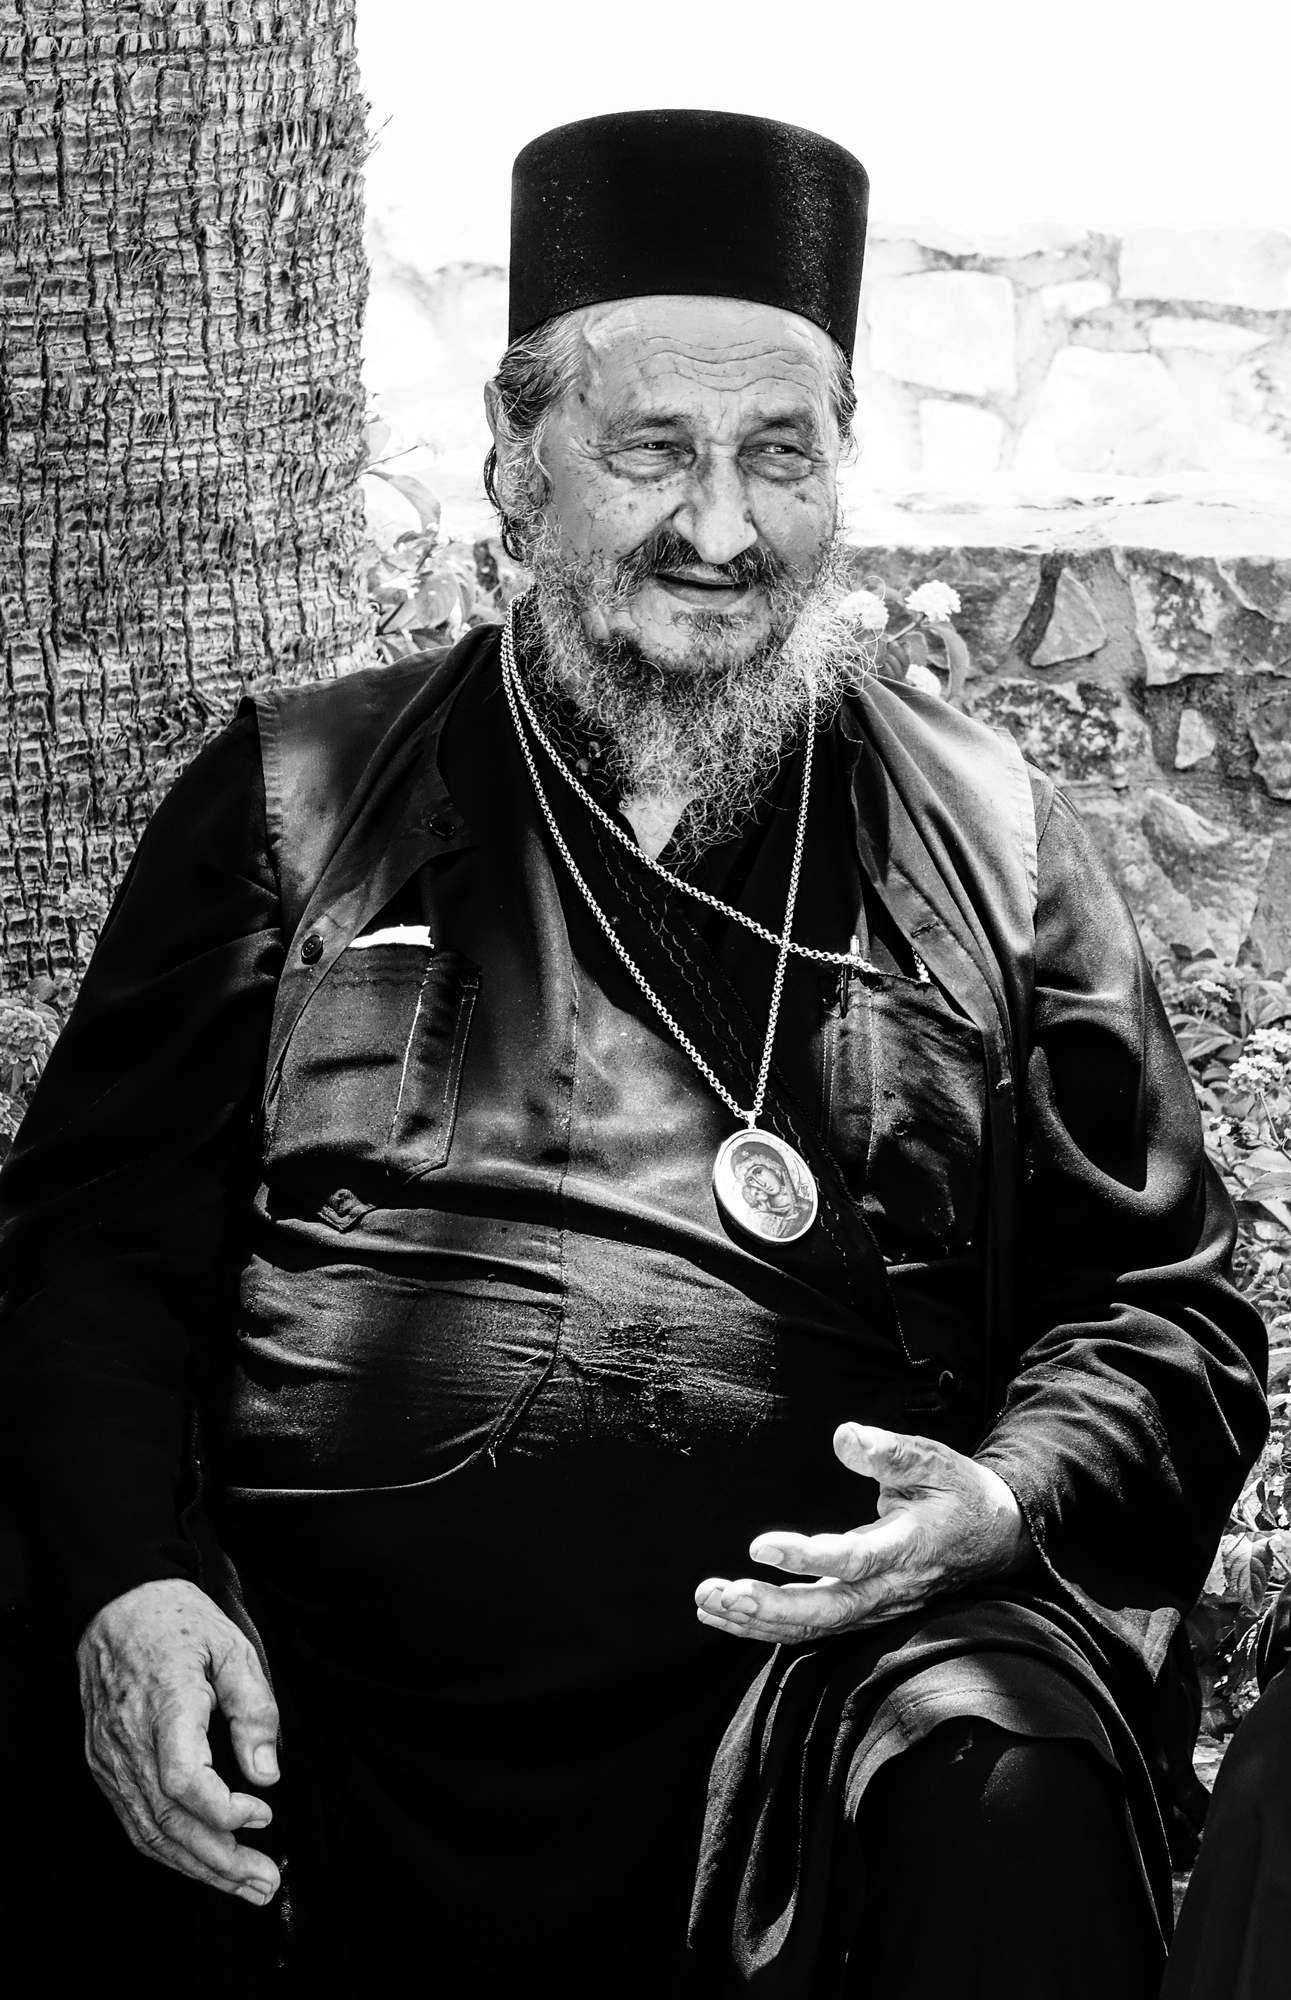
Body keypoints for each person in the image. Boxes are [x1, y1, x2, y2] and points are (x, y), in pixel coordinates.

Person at [0, 109, 1268, 1997]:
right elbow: (88, 1257)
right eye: (652, 450)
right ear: (518, 469)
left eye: (782, 455)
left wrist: (1001, 1498)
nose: (721, 524)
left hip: (817, 1702)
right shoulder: (298, 794)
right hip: (330, 1706)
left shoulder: (994, 842)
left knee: (1007, 1790)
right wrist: (132, 1576)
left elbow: (1163, 1312)